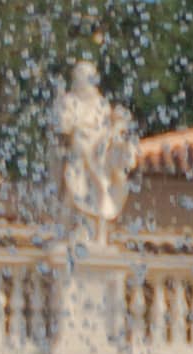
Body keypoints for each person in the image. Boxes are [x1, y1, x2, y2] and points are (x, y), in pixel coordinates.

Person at [54, 59, 134, 238]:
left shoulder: (101, 103)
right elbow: (63, 127)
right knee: (74, 190)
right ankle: (70, 230)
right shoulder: (70, 100)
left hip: (98, 153)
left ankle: (98, 234)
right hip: (80, 151)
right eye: (81, 76)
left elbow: (111, 126)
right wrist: (60, 110)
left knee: (100, 191)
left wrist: (118, 123)